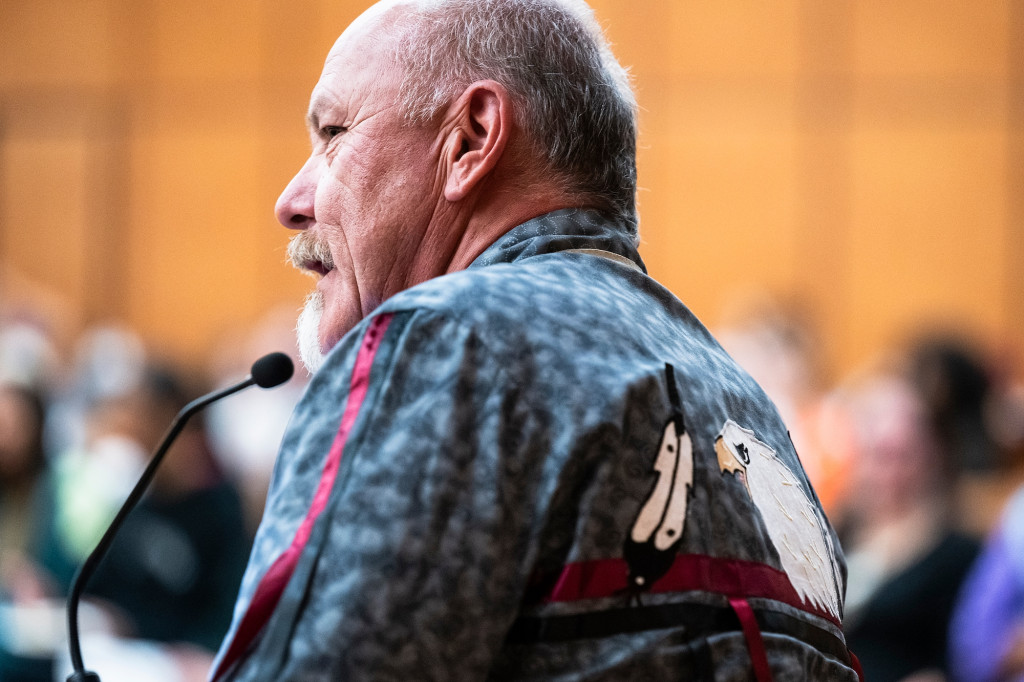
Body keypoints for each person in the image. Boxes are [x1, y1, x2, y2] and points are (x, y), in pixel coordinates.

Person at [212, 1, 860, 679]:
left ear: (471, 139)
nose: (291, 199)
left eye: (334, 133)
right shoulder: (749, 411)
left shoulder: (446, 346)